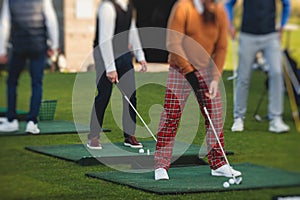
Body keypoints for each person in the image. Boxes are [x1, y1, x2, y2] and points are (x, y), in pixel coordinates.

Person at [154, 0, 242, 180]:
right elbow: (174, 43)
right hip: (180, 68)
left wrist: (216, 78)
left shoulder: (219, 11)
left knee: (215, 116)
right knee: (171, 115)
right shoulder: (183, 8)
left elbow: (222, 47)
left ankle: (219, 164)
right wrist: (189, 72)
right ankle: (161, 165)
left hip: (207, 69)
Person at [87, 0, 148, 150]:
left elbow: (132, 30)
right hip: (104, 56)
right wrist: (110, 68)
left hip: (124, 54)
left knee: (130, 95)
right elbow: (104, 40)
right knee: (103, 95)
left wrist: (140, 55)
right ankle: (93, 136)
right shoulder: (107, 7)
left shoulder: (128, 6)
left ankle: (129, 135)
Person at [226, 0, 291, 133]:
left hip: (270, 36)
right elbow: (228, 4)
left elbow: (286, 4)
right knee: (243, 77)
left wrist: (282, 25)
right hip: (247, 35)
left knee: (277, 73)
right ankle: (239, 118)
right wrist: (230, 23)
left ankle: (275, 119)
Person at [0, 0, 59, 134]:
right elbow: (51, 22)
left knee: (12, 82)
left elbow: (4, 25)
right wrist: (54, 46)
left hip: (18, 47)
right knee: (37, 83)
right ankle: (32, 122)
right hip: (38, 46)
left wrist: (2, 50)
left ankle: (11, 121)